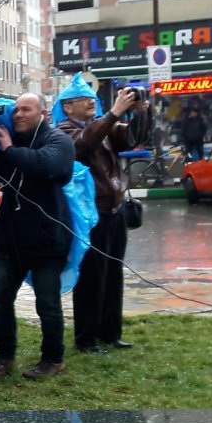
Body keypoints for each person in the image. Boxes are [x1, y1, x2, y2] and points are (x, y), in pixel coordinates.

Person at [0, 92, 76, 382]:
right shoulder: (10, 145)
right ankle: (5, 357)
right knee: (0, 300)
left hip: (47, 239)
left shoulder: (58, 140)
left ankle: (53, 359)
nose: (18, 115)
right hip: (11, 238)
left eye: (26, 109)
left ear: (43, 114)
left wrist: (10, 149)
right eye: (15, 110)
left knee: (47, 303)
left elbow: (48, 165)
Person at [55, 83, 149, 354]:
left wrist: (140, 112)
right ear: (67, 107)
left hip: (115, 211)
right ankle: (86, 338)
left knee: (113, 275)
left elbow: (132, 138)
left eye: (92, 98)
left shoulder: (102, 125)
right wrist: (114, 114)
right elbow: (84, 144)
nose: (91, 102)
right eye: (83, 99)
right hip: (90, 215)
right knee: (91, 278)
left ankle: (111, 332)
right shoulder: (64, 131)